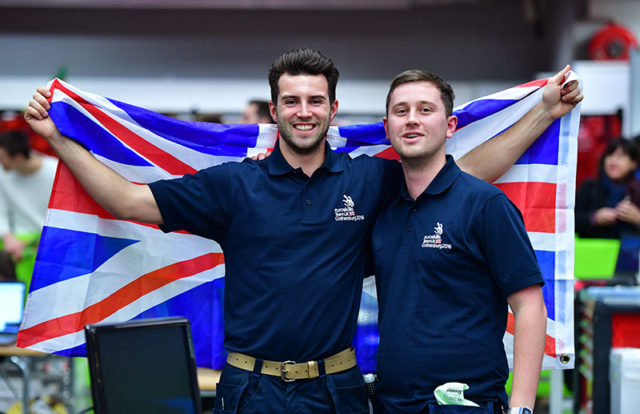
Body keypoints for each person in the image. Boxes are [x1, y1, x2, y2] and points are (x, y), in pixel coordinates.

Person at [25, 48, 580, 413]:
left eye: (316, 100)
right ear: (275, 108)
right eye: (292, 100)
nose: (304, 111)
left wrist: (543, 113)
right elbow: (126, 199)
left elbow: (459, 175)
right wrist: (57, 138)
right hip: (250, 391)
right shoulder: (233, 187)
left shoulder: (370, 179)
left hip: (336, 391)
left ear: (334, 109)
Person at [371, 70, 547, 413]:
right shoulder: (381, 209)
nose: (412, 120)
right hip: (391, 403)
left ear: (450, 125)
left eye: (425, 110)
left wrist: (522, 407)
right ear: (387, 125)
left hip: (467, 404)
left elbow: (530, 308)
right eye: (401, 111)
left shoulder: (486, 205)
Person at [0, 130, 58, 260]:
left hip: (50, 239)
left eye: (3, 157)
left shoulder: (54, 171)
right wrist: (8, 237)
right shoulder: (3, 174)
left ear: (18, 158)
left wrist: (42, 242)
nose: (1, 161)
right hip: (17, 238)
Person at [575, 138, 640, 238]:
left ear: (633, 164)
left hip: (629, 252)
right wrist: (594, 218)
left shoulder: (637, 191)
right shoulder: (589, 187)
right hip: (592, 251)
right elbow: (569, 221)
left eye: (621, 157)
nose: (613, 161)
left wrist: (637, 218)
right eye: (610, 155)